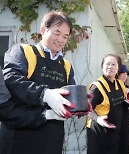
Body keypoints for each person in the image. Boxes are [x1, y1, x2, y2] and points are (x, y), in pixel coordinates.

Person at [0, 11, 88, 154]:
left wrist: (79, 103)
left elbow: (70, 95)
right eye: (57, 33)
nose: (61, 39)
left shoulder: (66, 66)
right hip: (19, 139)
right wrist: (45, 94)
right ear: (43, 30)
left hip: (53, 141)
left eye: (65, 36)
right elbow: (12, 80)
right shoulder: (23, 51)